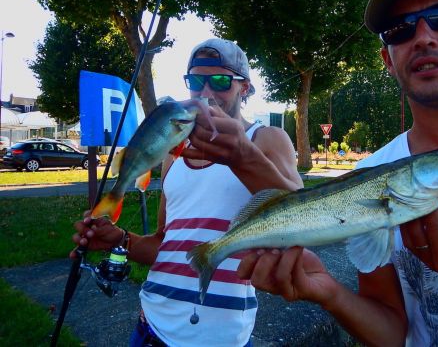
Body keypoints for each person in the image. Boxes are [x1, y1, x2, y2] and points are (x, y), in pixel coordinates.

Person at [237, 0, 438, 346]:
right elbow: (392, 333)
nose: (424, 37)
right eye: (401, 30)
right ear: (387, 60)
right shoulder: (369, 174)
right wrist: (330, 293)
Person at [72, 38, 303, 346]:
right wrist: (121, 240)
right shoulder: (174, 152)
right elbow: (164, 244)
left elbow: (302, 218)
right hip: (150, 326)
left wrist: (242, 155)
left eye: (220, 81)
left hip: (220, 338)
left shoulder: (267, 138)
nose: (206, 93)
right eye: (195, 81)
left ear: (244, 88)